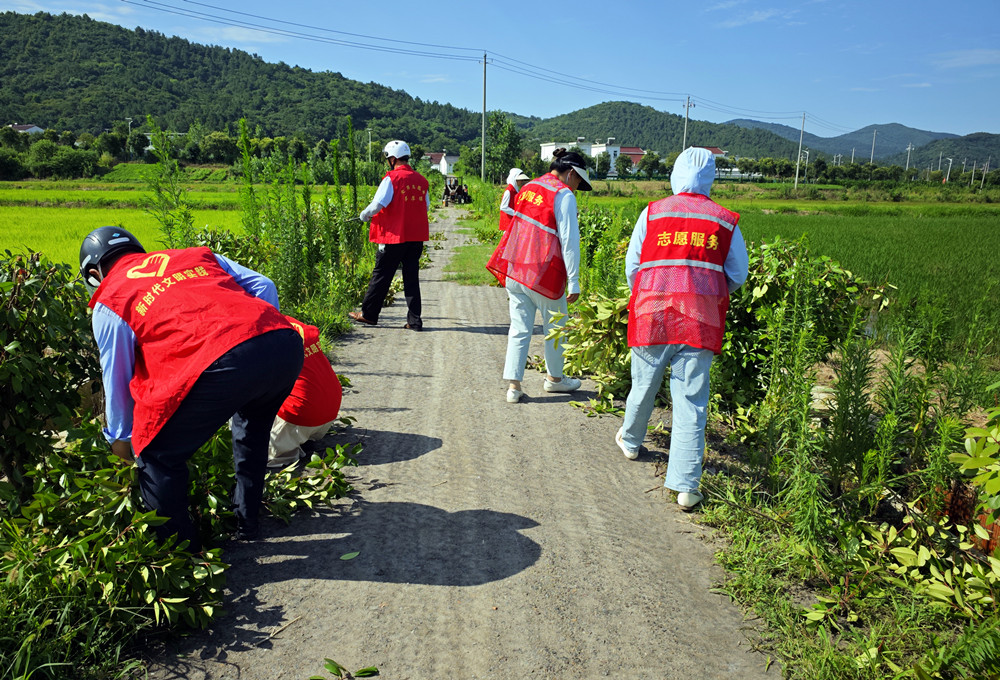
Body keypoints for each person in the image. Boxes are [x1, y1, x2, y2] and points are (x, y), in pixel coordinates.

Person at [81, 226, 303, 551]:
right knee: (251, 432)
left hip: (224, 360)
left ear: (93, 273)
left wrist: (121, 439)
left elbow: (116, 377)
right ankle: (247, 523)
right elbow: (264, 285)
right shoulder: (195, 255)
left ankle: (185, 559)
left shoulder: (110, 300)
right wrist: (259, 336)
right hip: (283, 345)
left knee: (156, 456)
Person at [615, 147, 749, 511]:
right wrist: (706, 293)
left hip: (653, 310)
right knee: (690, 399)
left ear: (675, 173)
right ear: (711, 177)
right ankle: (686, 486)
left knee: (644, 381)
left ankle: (630, 441)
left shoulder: (654, 211)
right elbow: (737, 274)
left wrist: (646, 293)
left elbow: (633, 266)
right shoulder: (724, 220)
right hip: (699, 318)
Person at [486, 148, 590, 403]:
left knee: (519, 328)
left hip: (516, 268)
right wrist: (574, 280)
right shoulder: (563, 194)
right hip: (544, 273)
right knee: (556, 326)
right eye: (578, 181)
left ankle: (513, 386)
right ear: (570, 173)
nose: (577, 187)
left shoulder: (529, 187)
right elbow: (569, 241)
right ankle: (555, 379)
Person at [350, 140, 431, 331]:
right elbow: (425, 207)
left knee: (382, 275)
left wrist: (364, 215)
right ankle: (415, 321)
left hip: (394, 237)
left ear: (392, 159)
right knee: (411, 278)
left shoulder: (391, 179)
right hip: (415, 238)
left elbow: (378, 205)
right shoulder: (422, 181)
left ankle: (369, 314)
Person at [267, 314, 344, 469]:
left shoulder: (252, 335)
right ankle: (304, 438)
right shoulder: (287, 321)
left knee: (255, 456)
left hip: (299, 415)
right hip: (329, 408)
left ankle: (286, 448)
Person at [499, 168, 530, 232]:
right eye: (520, 180)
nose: (521, 182)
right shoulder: (509, 191)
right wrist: (516, 213)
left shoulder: (515, 191)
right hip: (508, 223)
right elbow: (503, 207)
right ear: (515, 179)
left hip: (513, 222)